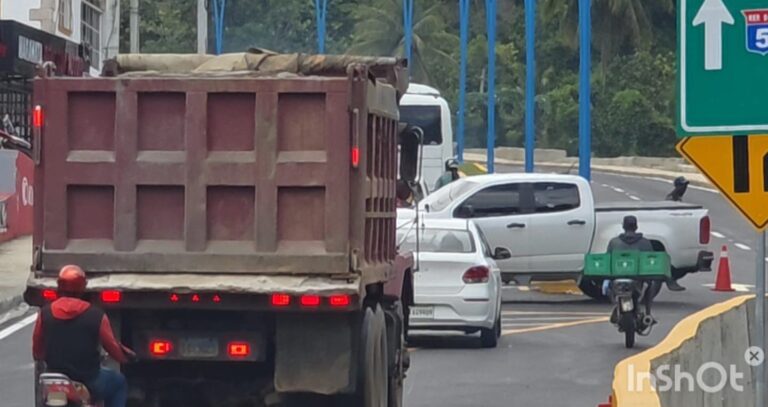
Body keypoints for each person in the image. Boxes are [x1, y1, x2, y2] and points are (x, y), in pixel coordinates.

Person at [33, 265, 135, 407]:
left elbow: (37, 351)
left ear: (59, 285)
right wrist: (127, 357)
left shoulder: (45, 313)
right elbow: (113, 349)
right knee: (119, 383)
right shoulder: (96, 315)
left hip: (56, 380)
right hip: (89, 379)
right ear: (83, 287)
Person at [606, 216, 661, 323]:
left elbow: (607, 260)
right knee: (650, 284)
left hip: (618, 278)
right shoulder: (645, 243)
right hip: (638, 278)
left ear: (623, 226)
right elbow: (650, 260)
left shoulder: (614, 242)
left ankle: (617, 306)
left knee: (608, 285)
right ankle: (648, 313)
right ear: (636, 227)